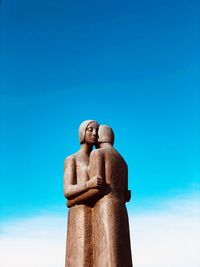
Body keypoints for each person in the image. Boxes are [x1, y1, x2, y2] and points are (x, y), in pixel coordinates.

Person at [88, 125, 132, 267]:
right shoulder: (123, 162)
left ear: (100, 136)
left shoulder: (98, 154)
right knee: (122, 254)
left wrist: (73, 200)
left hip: (105, 207)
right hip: (121, 210)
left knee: (106, 253)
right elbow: (127, 195)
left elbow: (97, 188)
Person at [63, 120, 104, 267]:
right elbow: (67, 190)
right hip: (79, 213)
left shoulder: (98, 157)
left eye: (97, 130)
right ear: (82, 133)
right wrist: (88, 184)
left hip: (96, 212)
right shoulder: (72, 159)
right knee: (80, 256)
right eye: (90, 129)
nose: (94, 133)